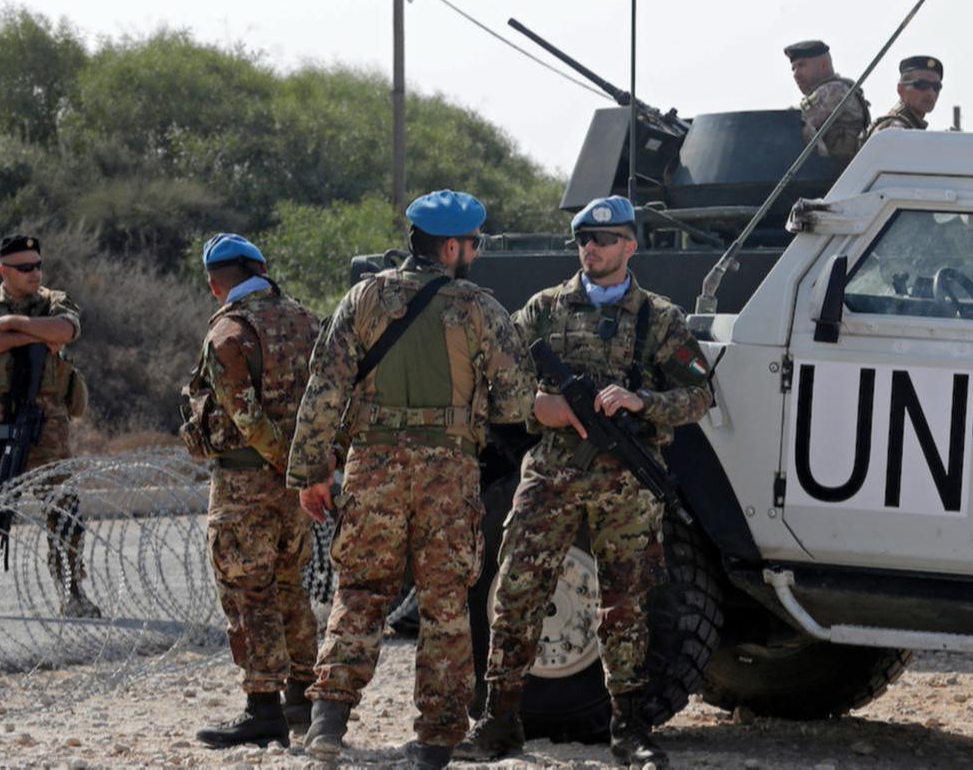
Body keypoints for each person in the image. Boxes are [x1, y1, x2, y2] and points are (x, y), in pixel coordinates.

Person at [456, 196, 713, 768]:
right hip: (551, 473)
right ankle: (499, 721)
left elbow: (700, 395)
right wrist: (538, 406)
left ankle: (629, 728)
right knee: (517, 592)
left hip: (626, 481)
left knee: (626, 605)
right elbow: (491, 379)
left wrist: (642, 402)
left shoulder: (659, 318)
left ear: (631, 246)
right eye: (583, 239)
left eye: (604, 238)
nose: (590, 248)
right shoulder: (544, 309)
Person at [288, 190, 533, 770]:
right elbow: (516, 401)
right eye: (472, 243)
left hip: (373, 466)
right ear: (450, 248)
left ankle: (328, 720)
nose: (475, 253)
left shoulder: (363, 297)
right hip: (448, 471)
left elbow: (324, 389)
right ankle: (435, 740)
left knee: (360, 591)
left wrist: (311, 473)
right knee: (446, 603)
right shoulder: (479, 308)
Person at [182, 234, 321, 750]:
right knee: (290, 584)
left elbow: (244, 415)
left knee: (248, 591)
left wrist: (283, 458)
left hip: (245, 484)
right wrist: (308, 465)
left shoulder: (229, 332)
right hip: (297, 484)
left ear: (215, 284)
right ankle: (303, 697)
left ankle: (263, 707)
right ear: (261, 268)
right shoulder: (307, 321)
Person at [0, 235, 101, 620]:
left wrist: (12, 325)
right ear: (3, 271)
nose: (34, 273)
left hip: (47, 421)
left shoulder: (55, 301)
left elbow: (64, 331)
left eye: (37, 265)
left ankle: (72, 592)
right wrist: (33, 337)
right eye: (25, 267)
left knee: (63, 506)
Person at [785, 39, 870, 160]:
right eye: (793, 69)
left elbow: (796, 120)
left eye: (801, 65)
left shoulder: (835, 90)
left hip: (839, 167)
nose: (796, 74)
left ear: (823, 65)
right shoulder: (836, 89)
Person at [863, 55, 944, 141]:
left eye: (936, 86)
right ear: (901, 89)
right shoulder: (895, 130)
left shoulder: (910, 129)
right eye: (922, 85)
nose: (930, 93)